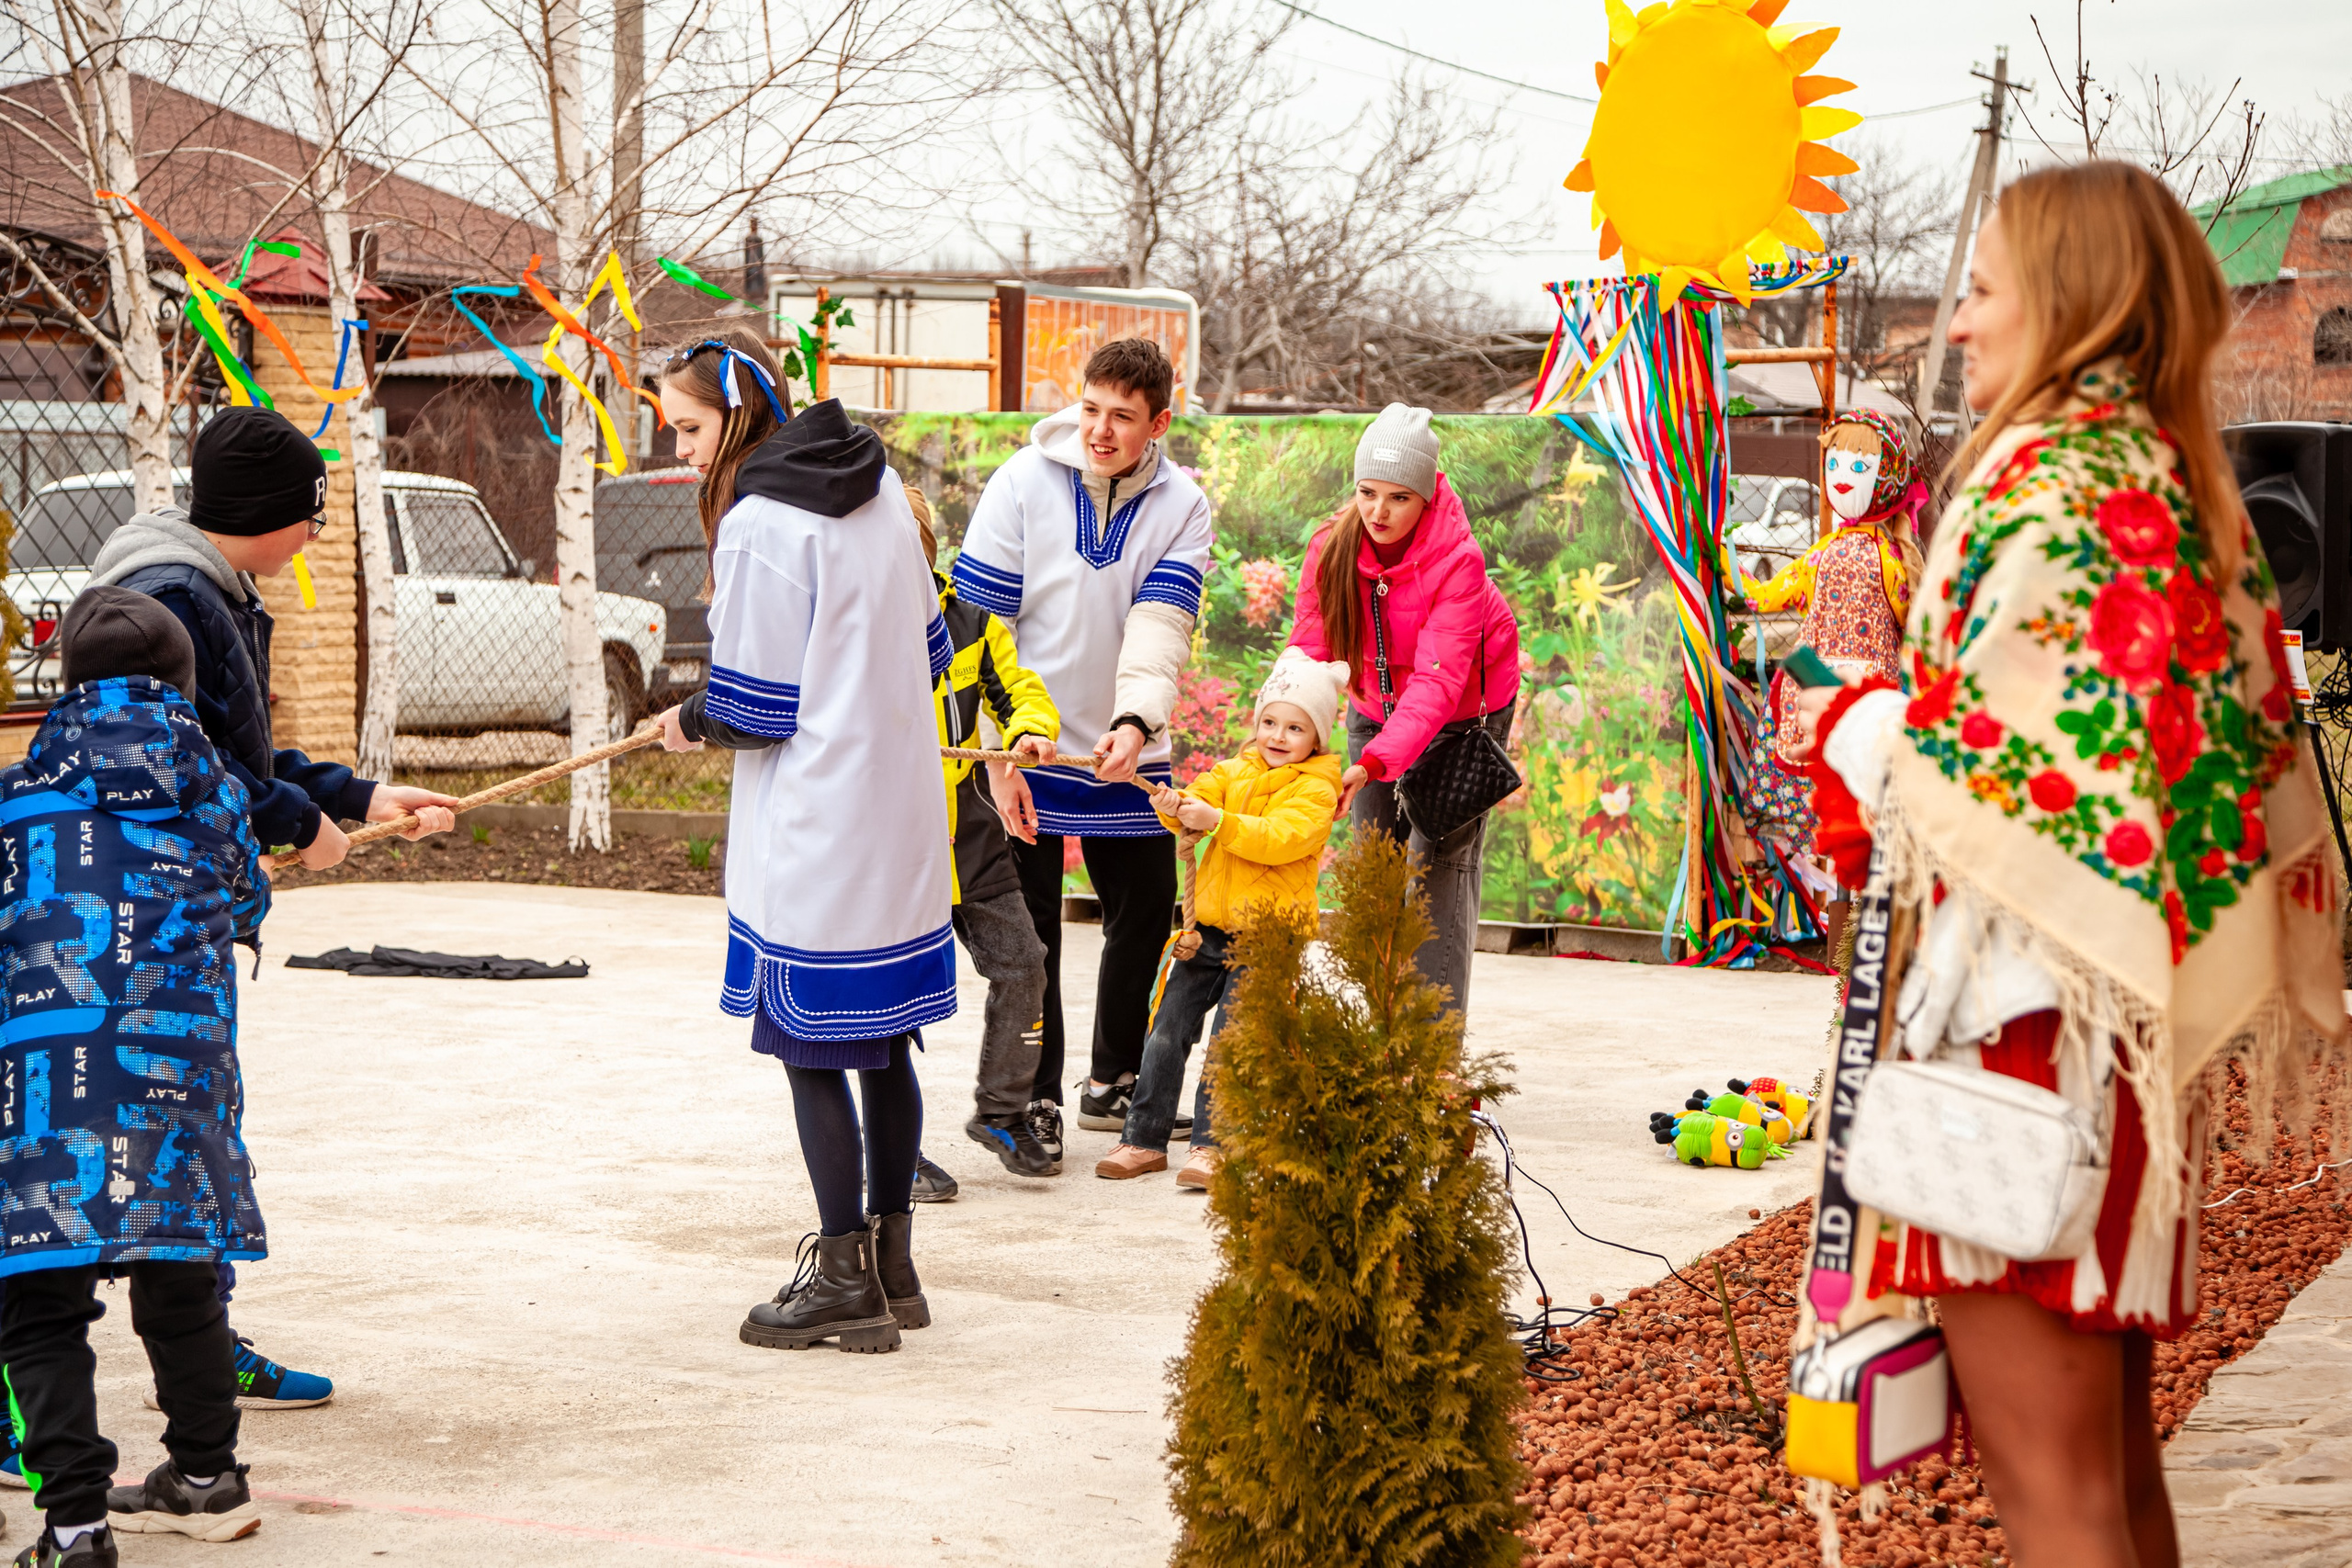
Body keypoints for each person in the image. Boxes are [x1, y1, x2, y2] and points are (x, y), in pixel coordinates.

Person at [1789, 163, 2346, 1568]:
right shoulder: (2160, 489)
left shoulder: (2059, 495)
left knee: (2057, 1505)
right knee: (2109, 1485)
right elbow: (2129, 779)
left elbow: (2011, 789)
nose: (1959, 327)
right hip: (2102, 1056)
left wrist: (1851, 722)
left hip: (2016, 1057)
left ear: (2075, 304)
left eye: (1980, 291)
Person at [65, 405, 458, 1419]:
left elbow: (237, 747)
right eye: (312, 516)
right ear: (271, 513)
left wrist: (354, 798)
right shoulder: (173, 592)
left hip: (175, 935)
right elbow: (175, 764)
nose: (319, 537)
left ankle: (200, 1357)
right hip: (125, 945)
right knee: (108, 1167)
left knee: (188, 1156)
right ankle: (62, 1398)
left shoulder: (205, 583)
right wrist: (289, 822)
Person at [652, 333, 955, 1355]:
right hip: (901, 812)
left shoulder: (760, 524)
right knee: (883, 1040)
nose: (683, 451)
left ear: (737, 414)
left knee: (812, 1044)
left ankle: (843, 1279)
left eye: (689, 428)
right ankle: (894, 1264)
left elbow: (754, 705)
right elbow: (930, 647)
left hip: (820, 821)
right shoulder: (881, 497)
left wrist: (689, 718)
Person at [0, 589, 277, 1567]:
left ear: (64, 695)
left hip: (48, 1090)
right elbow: (249, 900)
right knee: (181, 1275)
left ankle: (74, 1523)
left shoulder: (16, 805)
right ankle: (206, 1477)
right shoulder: (221, 798)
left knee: (40, 1301)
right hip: (176, 1084)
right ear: (185, 693)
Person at [952, 339, 1214, 1153]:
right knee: (1035, 931)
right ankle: (1036, 1095)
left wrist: (1135, 724)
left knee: (1141, 912)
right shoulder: (1022, 481)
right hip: (1024, 749)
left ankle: (1114, 1080)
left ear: (1159, 422)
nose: (1100, 430)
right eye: (1092, 408)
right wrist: (998, 756)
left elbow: (1160, 628)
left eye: (1123, 418)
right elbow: (978, 631)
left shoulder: (1184, 505)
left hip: (1124, 746)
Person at [1286, 404, 1521, 1018]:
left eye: (1398, 498)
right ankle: (1379, 1036)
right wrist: (1282, 733)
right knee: (1374, 870)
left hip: (1461, 716)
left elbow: (1437, 687)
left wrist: (1373, 762)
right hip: (1374, 701)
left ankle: (1433, 1064)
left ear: (1427, 496)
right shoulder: (1330, 549)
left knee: (1436, 871)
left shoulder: (1457, 562)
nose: (1378, 512)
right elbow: (1309, 655)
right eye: (1367, 493)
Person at [1095, 647, 1348, 1188]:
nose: (1278, 736)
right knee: (1166, 1031)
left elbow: (1282, 839)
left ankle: (1214, 1146)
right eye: (1270, 722)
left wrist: (1218, 820)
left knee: (1232, 1044)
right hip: (1207, 930)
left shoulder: (1315, 788)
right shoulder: (1232, 771)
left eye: (1295, 728)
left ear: (1318, 738)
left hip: (1268, 940)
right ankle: (1143, 1139)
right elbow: (1194, 804)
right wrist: (1173, 805)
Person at [909, 485, 1060, 1179]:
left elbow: (1019, 689)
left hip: (972, 839)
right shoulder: (850, 627)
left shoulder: (970, 623)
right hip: (892, 847)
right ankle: (892, 1150)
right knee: (891, 999)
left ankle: (1000, 1112)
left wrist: (1030, 731)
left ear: (927, 551)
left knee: (1025, 962)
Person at [1739, 409, 1928, 951]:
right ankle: (1848, 952)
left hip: (1838, 700)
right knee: (1853, 821)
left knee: (1843, 823)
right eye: (1835, 461)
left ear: (1887, 475)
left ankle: (1845, 951)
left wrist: (1735, 573)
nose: (1841, 475)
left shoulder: (1855, 554)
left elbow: (1770, 598)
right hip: (1851, 700)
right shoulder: (1881, 558)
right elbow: (1914, 621)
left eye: (1858, 465)